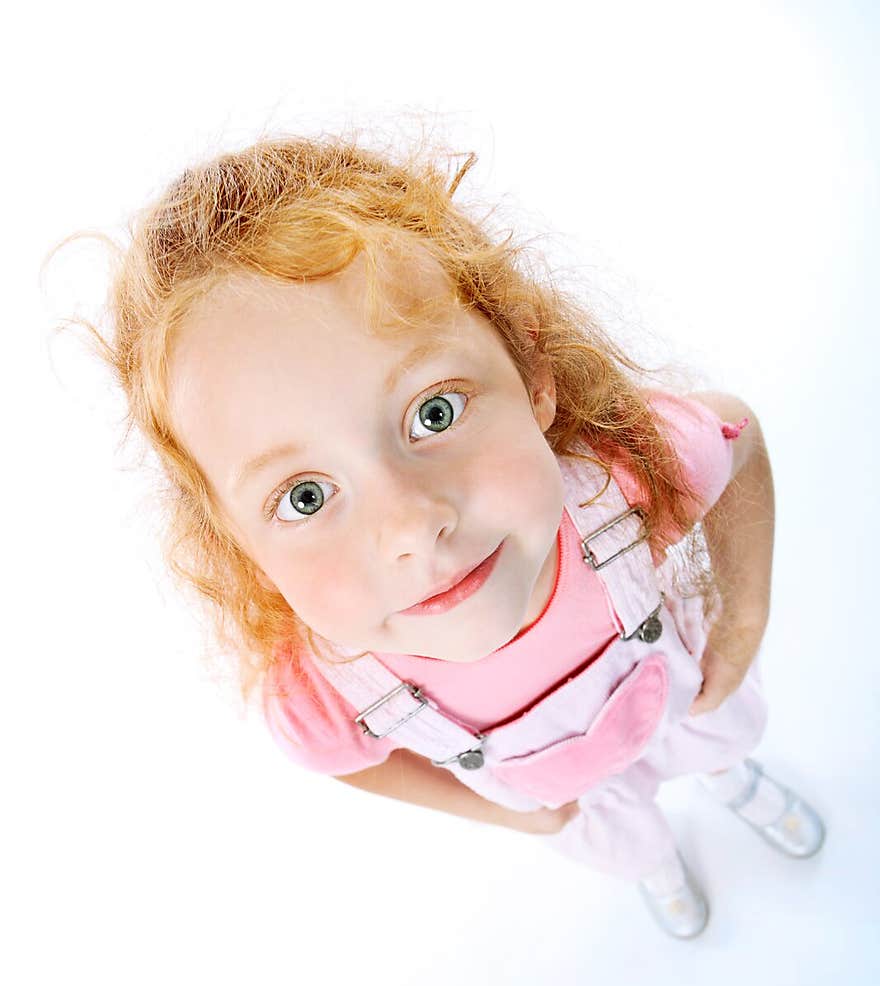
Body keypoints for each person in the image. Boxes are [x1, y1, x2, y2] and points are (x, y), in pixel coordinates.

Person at [73, 131, 825, 939]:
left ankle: (731, 779)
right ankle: (657, 863)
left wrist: (742, 623)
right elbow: (335, 761)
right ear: (237, 545)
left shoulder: (621, 483)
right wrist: (497, 815)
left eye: (435, 411)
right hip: (569, 796)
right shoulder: (326, 688)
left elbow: (733, 432)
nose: (411, 527)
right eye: (303, 496)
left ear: (529, 367)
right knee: (623, 840)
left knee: (718, 738)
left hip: (684, 696)